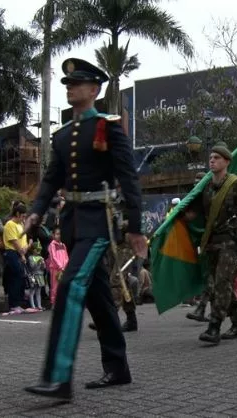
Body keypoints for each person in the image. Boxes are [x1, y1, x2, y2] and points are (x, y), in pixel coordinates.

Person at [23, 58, 146, 401]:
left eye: (76, 83)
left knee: (70, 286)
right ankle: (118, 367)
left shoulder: (107, 127)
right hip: (73, 221)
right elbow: (50, 181)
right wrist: (35, 212)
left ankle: (58, 378)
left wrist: (135, 227)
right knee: (97, 295)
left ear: (94, 90)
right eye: (67, 84)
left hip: (97, 222)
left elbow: (128, 178)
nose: (70, 88)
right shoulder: (63, 136)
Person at [186, 143, 237, 345]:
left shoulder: (236, 184)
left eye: (217, 158)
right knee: (216, 287)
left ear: (227, 161)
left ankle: (214, 326)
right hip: (211, 241)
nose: (212, 160)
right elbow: (193, 214)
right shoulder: (205, 186)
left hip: (231, 240)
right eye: (211, 157)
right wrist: (178, 215)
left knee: (222, 282)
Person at [46, 227, 68, 307]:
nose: (59, 236)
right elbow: (53, 257)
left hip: (63, 268)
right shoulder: (52, 245)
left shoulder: (63, 245)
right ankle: (54, 302)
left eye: (60, 234)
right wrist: (60, 266)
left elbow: (66, 257)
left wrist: (65, 266)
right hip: (56, 268)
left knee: (63, 285)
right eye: (57, 234)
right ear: (53, 235)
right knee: (55, 286)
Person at [27, 241, 47, 311]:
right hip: (33, 275)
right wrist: (38, 262)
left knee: (38, 291)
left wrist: (43, 264)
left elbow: (43, 268)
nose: (38, 251)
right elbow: (32, 267)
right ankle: (33, 306)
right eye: (37, 249)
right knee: (32, 291)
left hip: (40, 275)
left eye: (39, 250)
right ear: (33, 250)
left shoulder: (40, 257)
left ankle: (39, 305)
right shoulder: (30, 258)